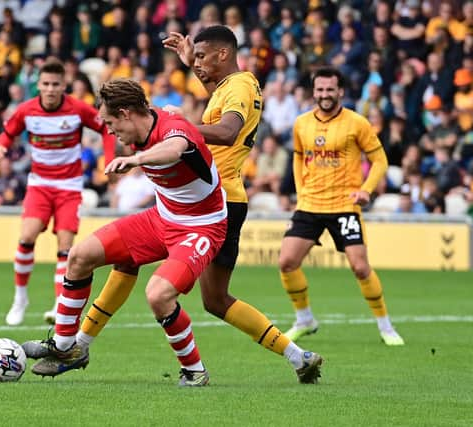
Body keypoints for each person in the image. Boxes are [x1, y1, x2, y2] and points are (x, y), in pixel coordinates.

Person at [61, 26, 324, 384]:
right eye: (194, 58)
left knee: (214, 299)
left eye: (201, 57)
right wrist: (189, 70)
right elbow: (219, 117)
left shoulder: (242, 87)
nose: (196, 64)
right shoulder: (229, 88)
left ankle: (293, 355)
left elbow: (228, 130)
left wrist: (178, 130)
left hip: (217, 203)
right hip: (195, 198)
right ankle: (79, 344)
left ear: (223, 55)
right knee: (132, 261)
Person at [22, 78, 231, 386]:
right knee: (80, 255)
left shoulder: (174, 129)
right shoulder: (144, 122)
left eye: (109, 122)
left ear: (125, 113)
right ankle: (67, 348)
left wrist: (136, 160)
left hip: (202, 226)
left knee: (158, 294)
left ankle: (194, 371)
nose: (109, 130)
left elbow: (175, 149)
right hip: (163, 218)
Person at [279, 67, 404, 346]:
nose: (324, 95)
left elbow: (380, 161)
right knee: (286, 262)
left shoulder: (357, 123)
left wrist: (366, 190)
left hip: (344, 206)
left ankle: (385, 326)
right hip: (310, 204)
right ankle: (304, 319)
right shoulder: (301, 123)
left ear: (340, 92)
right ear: (314, 92)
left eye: (330, 90)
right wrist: (301, 192)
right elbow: (299, 158)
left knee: (360, 267)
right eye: (320, 90)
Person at [0, 60, 115, 326]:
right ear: (38, 85)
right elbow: (7, 133)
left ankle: (60, 302)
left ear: (64, 85)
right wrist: (0, 147)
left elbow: (105, 128)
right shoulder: (26, 110)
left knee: (66, 247)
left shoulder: (77, 109)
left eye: (55, 84)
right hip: (40, 185)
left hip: (69, 187)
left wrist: (109, 159)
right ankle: (20, 298)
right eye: (45, 84)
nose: (50, 89)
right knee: (26, 237)